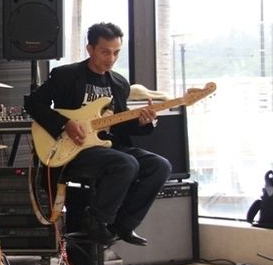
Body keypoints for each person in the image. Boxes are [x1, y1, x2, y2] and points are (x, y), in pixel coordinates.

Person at [26, 22, 171, 246]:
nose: (111, 59)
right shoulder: (66, 75)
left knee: (160, 166)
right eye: (105, 52)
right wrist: (65, 124)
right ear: (90, 49)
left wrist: (144, 122)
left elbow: (121, 124)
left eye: (116, 52)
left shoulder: (119, 83)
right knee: (126, 164)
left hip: (108, 147)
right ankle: (95, 219)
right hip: (73, 150)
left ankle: (123, 224)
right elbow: (33, 103)